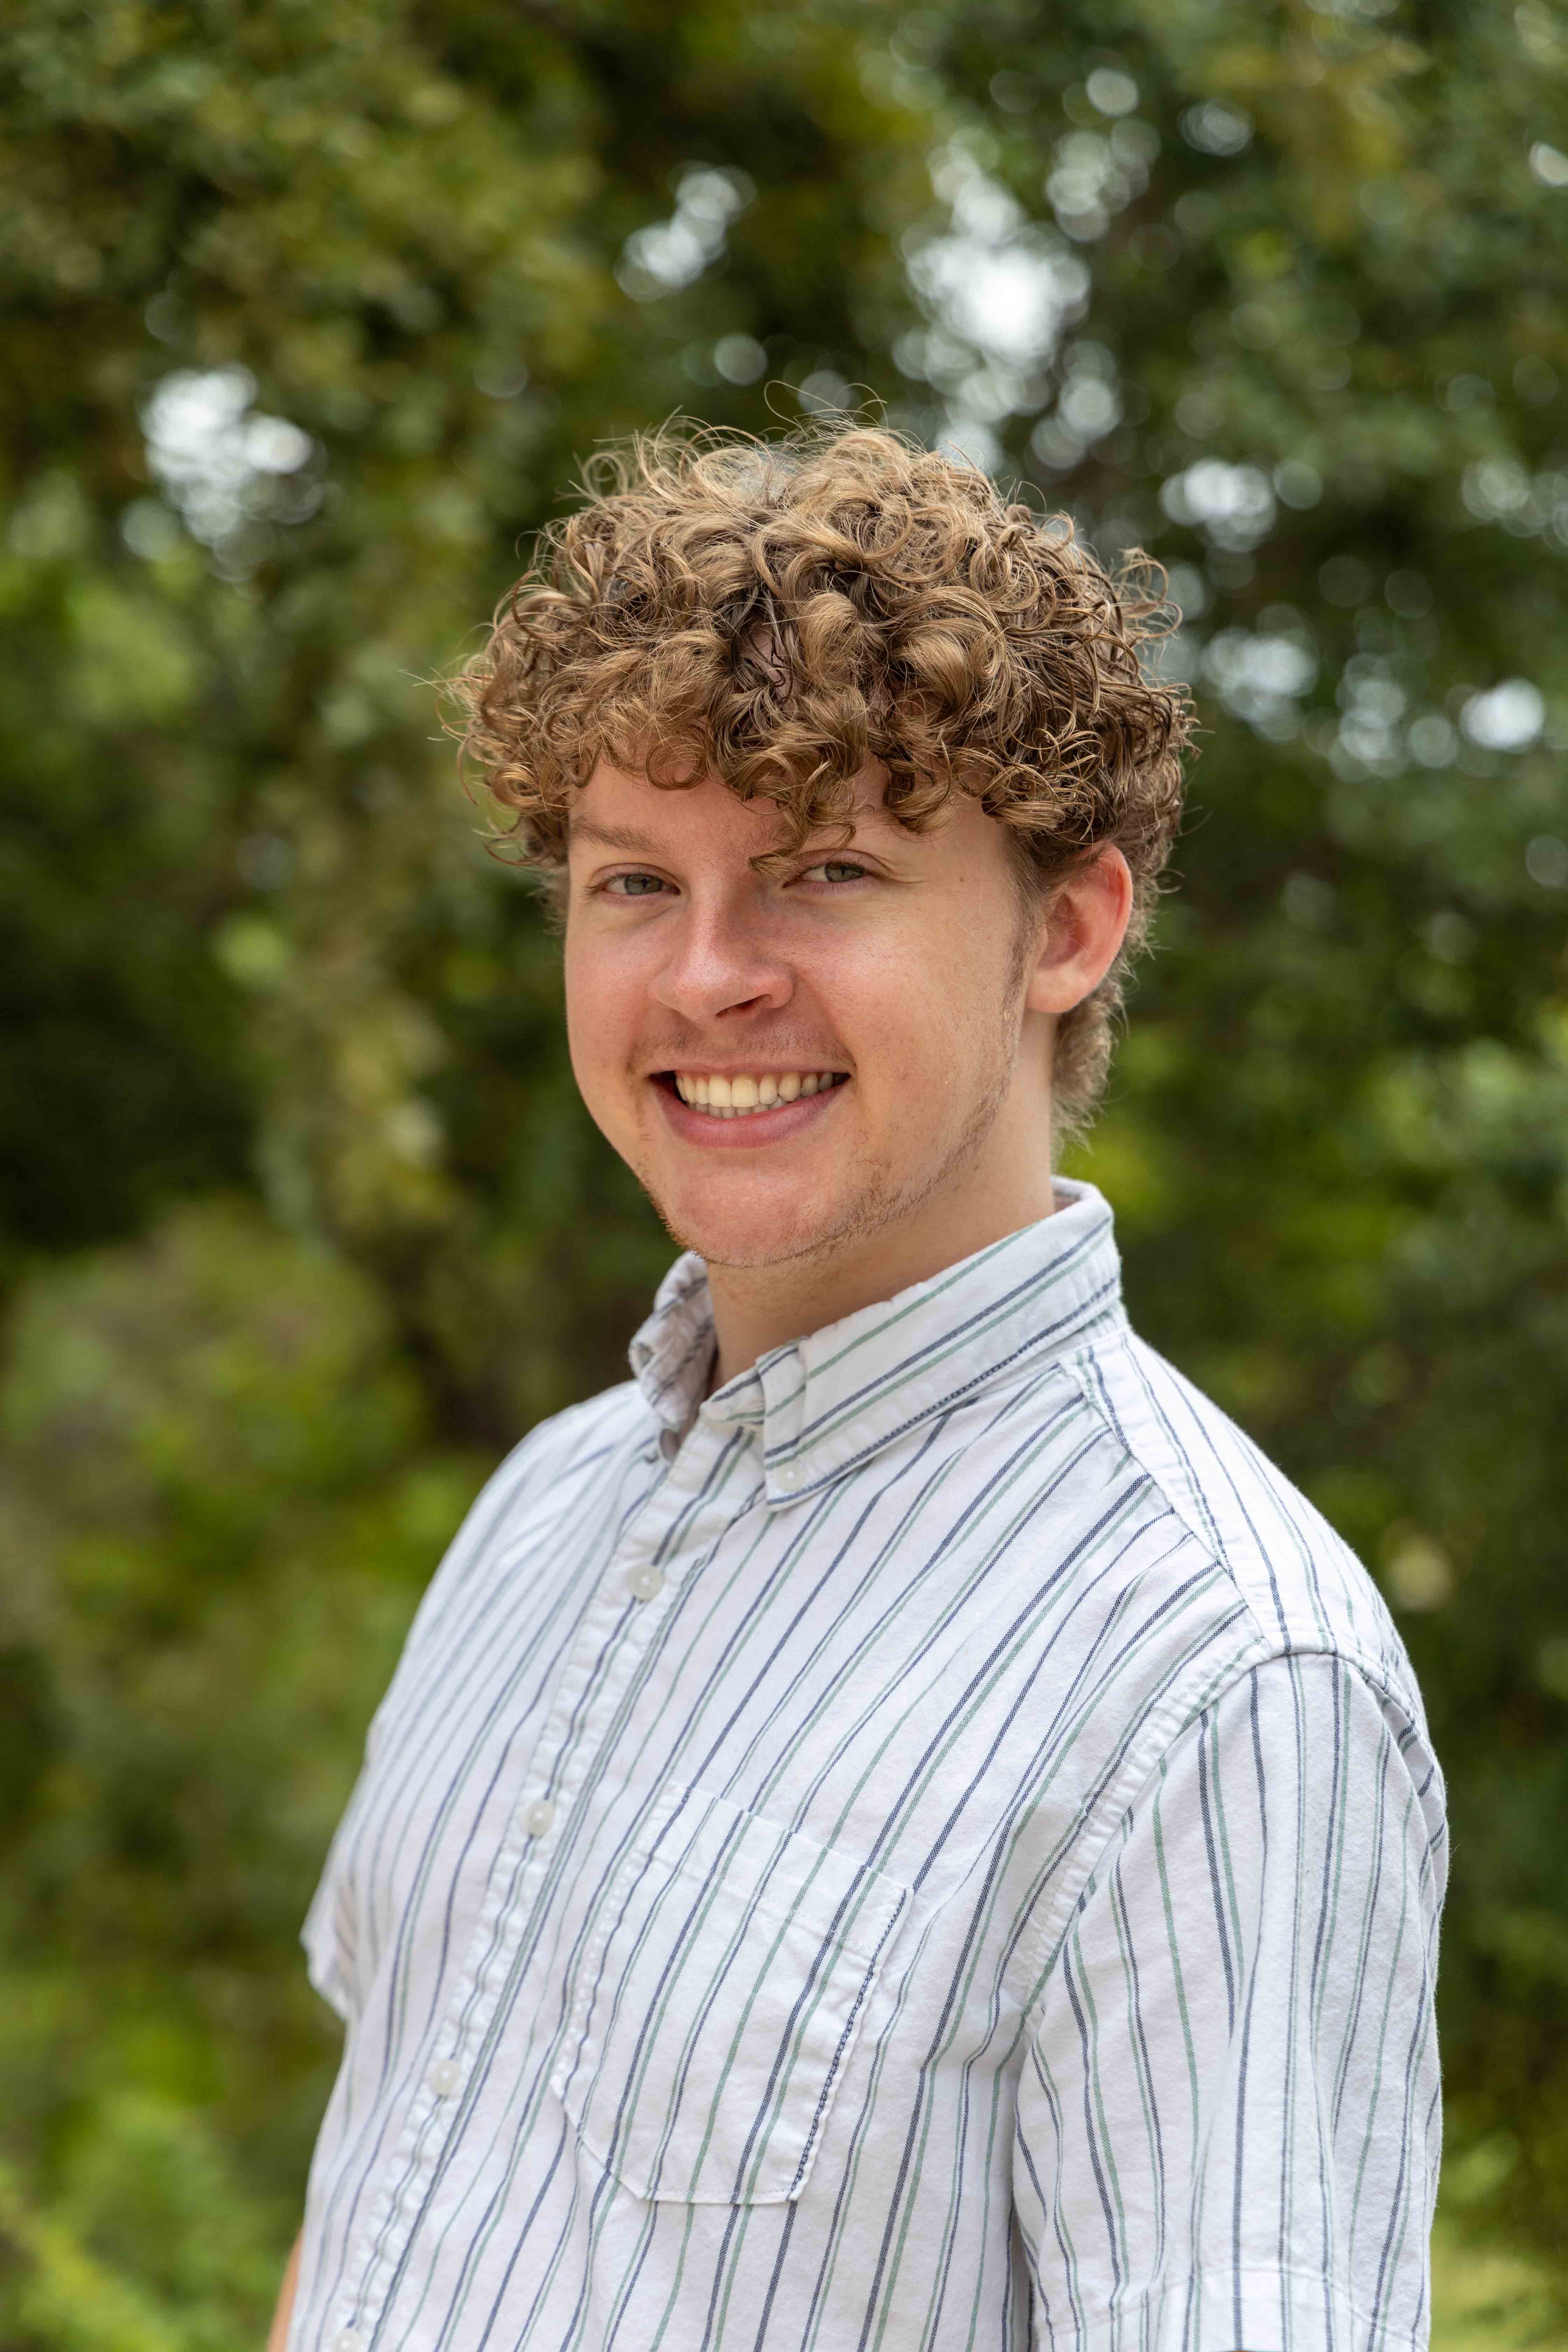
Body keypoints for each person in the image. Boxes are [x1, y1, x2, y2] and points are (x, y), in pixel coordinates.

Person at [268, 425, 1444, 2352]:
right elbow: (388, 2192)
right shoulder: (550, 1510)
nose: (710, 979)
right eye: (635, 881)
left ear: (1067, 928)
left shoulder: (1219, 1678)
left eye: (824, 870)